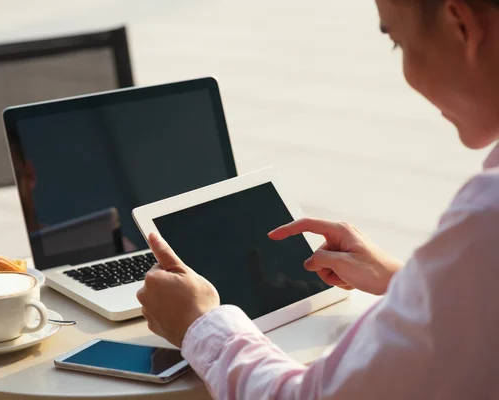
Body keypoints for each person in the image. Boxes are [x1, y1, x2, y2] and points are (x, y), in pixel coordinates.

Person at [136, 0, 499, 398]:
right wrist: (409, 283)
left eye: (398, 41)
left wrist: (199, 325)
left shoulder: (487, 214)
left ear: (460, 23)